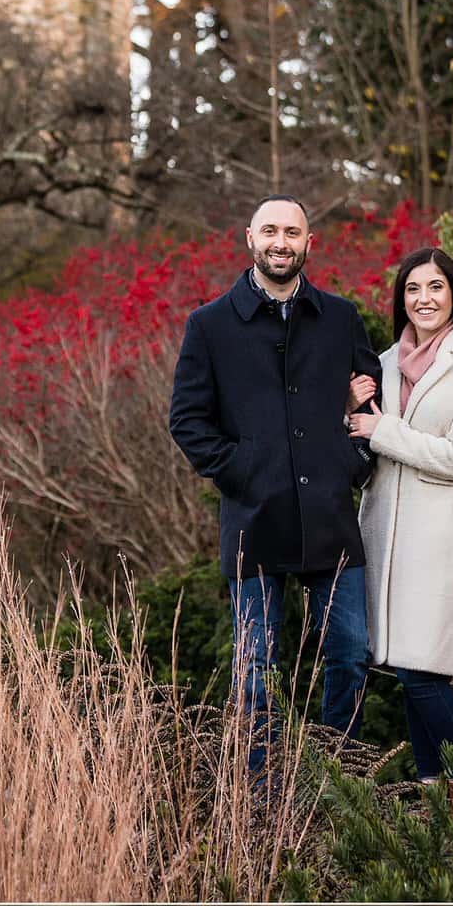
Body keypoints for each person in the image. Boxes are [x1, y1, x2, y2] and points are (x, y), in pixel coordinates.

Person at [170, 197, 382, 781]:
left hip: (330, 519)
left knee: (349, 653)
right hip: (254, 522)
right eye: (270, 231)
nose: (280, 241)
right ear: (249, 239)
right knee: (256, 664)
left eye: (292, 232)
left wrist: (350, 463)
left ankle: (340, 788)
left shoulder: (340, 318)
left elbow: (371, 402)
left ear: (310, 244)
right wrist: (244, 474)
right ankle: (261, 793)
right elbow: (187, 421)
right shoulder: (209, 325)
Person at [347, 247, 453, 783]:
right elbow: (364, 454)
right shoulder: (384, 364)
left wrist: (382, 430)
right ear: (401, 299)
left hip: (440, 541)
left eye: (435, 287)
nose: (423, 299)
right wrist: (353, 410)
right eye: (413, 289)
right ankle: (437, 798)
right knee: (409, 670)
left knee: (423, 669)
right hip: (385, 536)